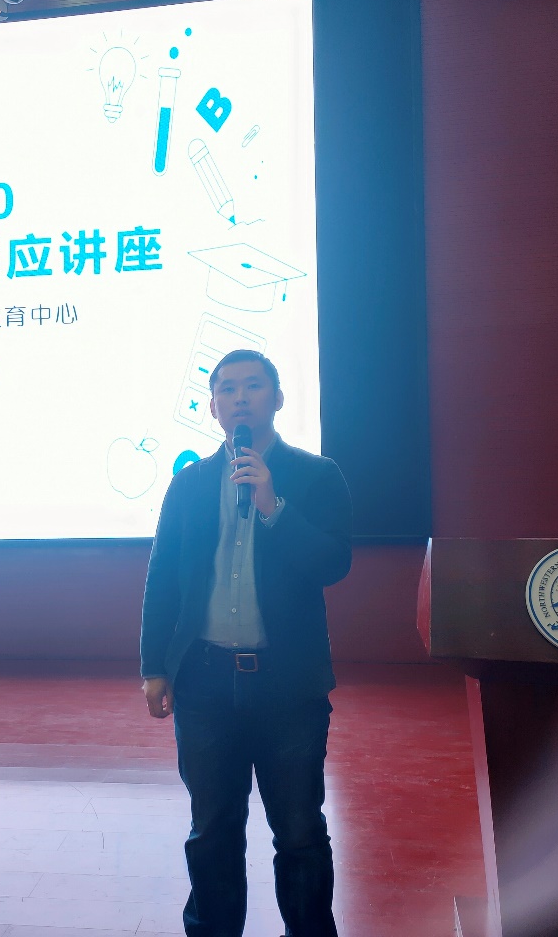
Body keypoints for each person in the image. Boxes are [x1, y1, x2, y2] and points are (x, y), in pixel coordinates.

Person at [140, 349, 354, 937]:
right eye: (227, 388)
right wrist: (155, 665)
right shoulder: (188, 485)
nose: (240, 397)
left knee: (300, 831)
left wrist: (272, 506)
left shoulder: (317, 475)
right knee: (212, 829)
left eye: (253, 386)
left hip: (289, 686)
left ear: (277, 399)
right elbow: (163, 578)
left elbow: (334, 563)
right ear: (212, 406)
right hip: (205, 683)